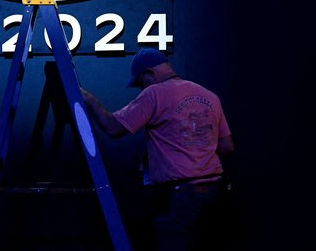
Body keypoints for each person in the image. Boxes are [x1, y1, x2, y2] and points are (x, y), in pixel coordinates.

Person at [81, 48, 235, 251]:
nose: (141, 88)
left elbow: (112, 127)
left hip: (180, 196)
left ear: (149, 73)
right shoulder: (209, 95)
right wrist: (198, 161)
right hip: (217, 193)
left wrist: (89, 100)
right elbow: (227, 147)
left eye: (140, 82)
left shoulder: (154, 93)